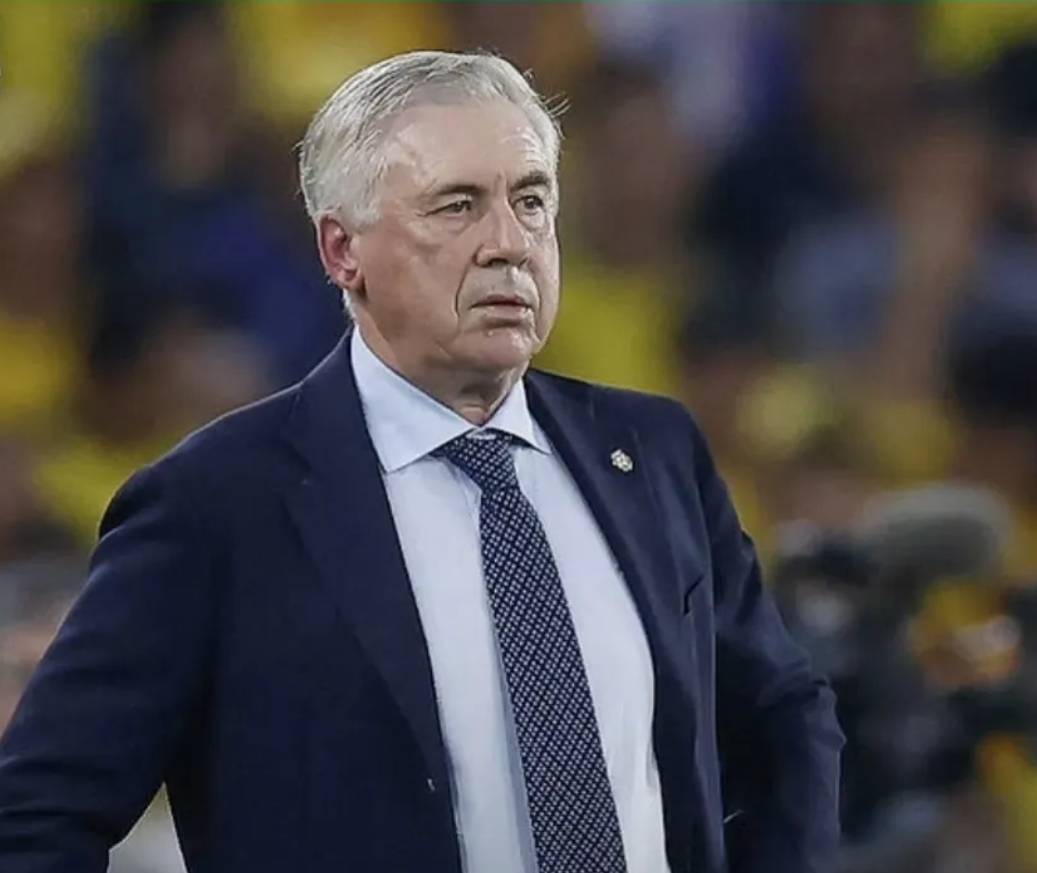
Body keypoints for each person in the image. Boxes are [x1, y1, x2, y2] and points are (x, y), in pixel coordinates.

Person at [0, 51, 842, 873]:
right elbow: (40, 811)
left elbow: (782, 711)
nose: (508, 242)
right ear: (342, 251)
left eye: (531, 200)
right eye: (457, 206)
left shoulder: (652, 452)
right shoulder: (215, 503)